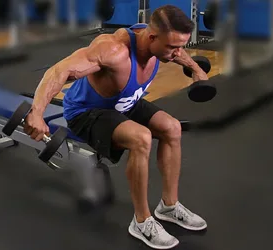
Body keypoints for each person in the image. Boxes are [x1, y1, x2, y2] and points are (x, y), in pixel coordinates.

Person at [24, 5, 208, 249]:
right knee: (141, 137)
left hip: (124, 103)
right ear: (152, 37)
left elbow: (178, 52)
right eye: (172, 47)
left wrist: (195, 69)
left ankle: (169, 206)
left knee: (172, 128)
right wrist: (36, 113)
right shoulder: (113, 49)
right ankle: (142, 221)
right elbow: (59, 71)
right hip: (87, 112)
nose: (177, 54)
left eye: (180, 47)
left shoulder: (157, 38)